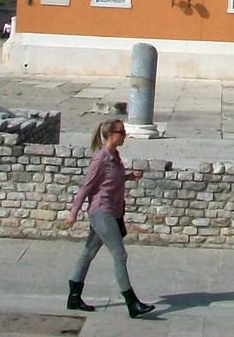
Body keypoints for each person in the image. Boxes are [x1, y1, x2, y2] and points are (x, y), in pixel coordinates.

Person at [65, 118, 155, 318]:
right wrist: (73, 212)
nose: (125, 135)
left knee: (88, 252)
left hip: (113, 212)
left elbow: (109, 181)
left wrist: (128, 177)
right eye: (122, 132)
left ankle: (74, 298)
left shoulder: (115, 156)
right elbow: (87, 187)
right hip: (101, 212)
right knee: (120, 255)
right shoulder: (101, 159)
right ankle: (132, 303)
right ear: (112, 135)